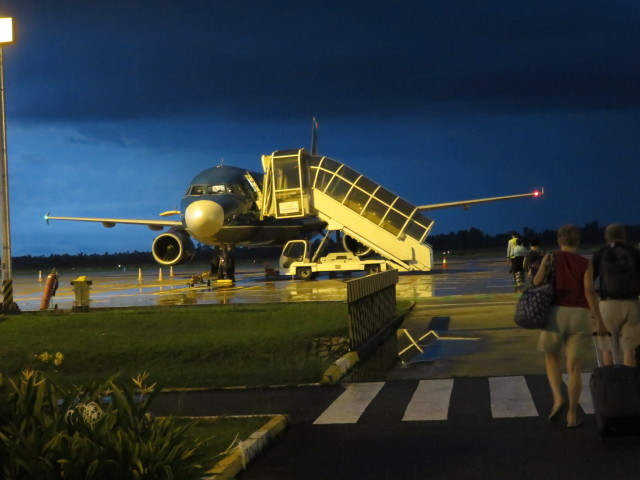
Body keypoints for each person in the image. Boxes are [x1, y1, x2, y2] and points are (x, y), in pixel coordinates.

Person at [534, 224, 598, 428]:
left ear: (559, 240)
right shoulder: (585, 262)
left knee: (552, 359)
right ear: (577, 241)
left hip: (555, 313)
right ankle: (572, 415)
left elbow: (536, 281)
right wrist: (598, 318)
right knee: (574, 368)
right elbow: (589, 291)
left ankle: (557, 399)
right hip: (579, 315)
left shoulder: (551, 257)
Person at [588, 224, 640, 367]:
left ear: (607, 237)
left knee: (607, 348)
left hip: (607, 304)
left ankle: (611, 383)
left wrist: (595, 313)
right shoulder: (634, 252)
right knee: (630, 349)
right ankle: (628, 382)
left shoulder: (600, 253)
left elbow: (588, 285)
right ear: (623, 236)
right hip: (631, 303)